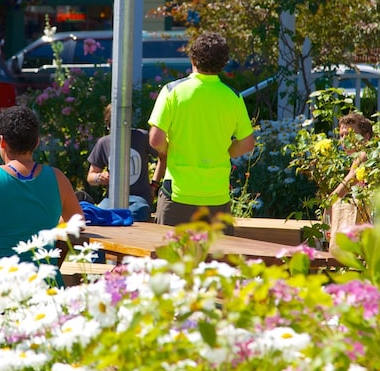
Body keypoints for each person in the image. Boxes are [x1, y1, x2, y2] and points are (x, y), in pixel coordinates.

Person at [147, 31, 255, 234]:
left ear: (192, 57)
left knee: (169, 262)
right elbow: (248, 143)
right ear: (223, 63)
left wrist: (168, 150)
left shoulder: (172, 91)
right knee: (216, 263)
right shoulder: (233, 97)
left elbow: (155, 139)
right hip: (217, 196)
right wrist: (227, 152)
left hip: (178, 193)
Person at [0, 106, 82, 262]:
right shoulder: (58, 178)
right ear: (36, 143)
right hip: (44, 279)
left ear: (2, 142)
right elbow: (78, 224)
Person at [87, 103, 165, 221]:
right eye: (111, 126)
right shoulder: (104, 142)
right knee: (100, 216)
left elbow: (163, 157)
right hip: (111, 198)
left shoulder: (142, 137)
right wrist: (99, 177)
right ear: (108, 124)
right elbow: (90, 176)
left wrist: (154, 185)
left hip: (138, 197)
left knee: (136, 214)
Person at [326, 112, 373, 253]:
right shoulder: (363, 155)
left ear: (366, 137)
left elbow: (343, 188)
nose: (344, 140)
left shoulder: (364, 156)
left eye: (350, 134)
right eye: (342, 135)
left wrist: (328, 204)